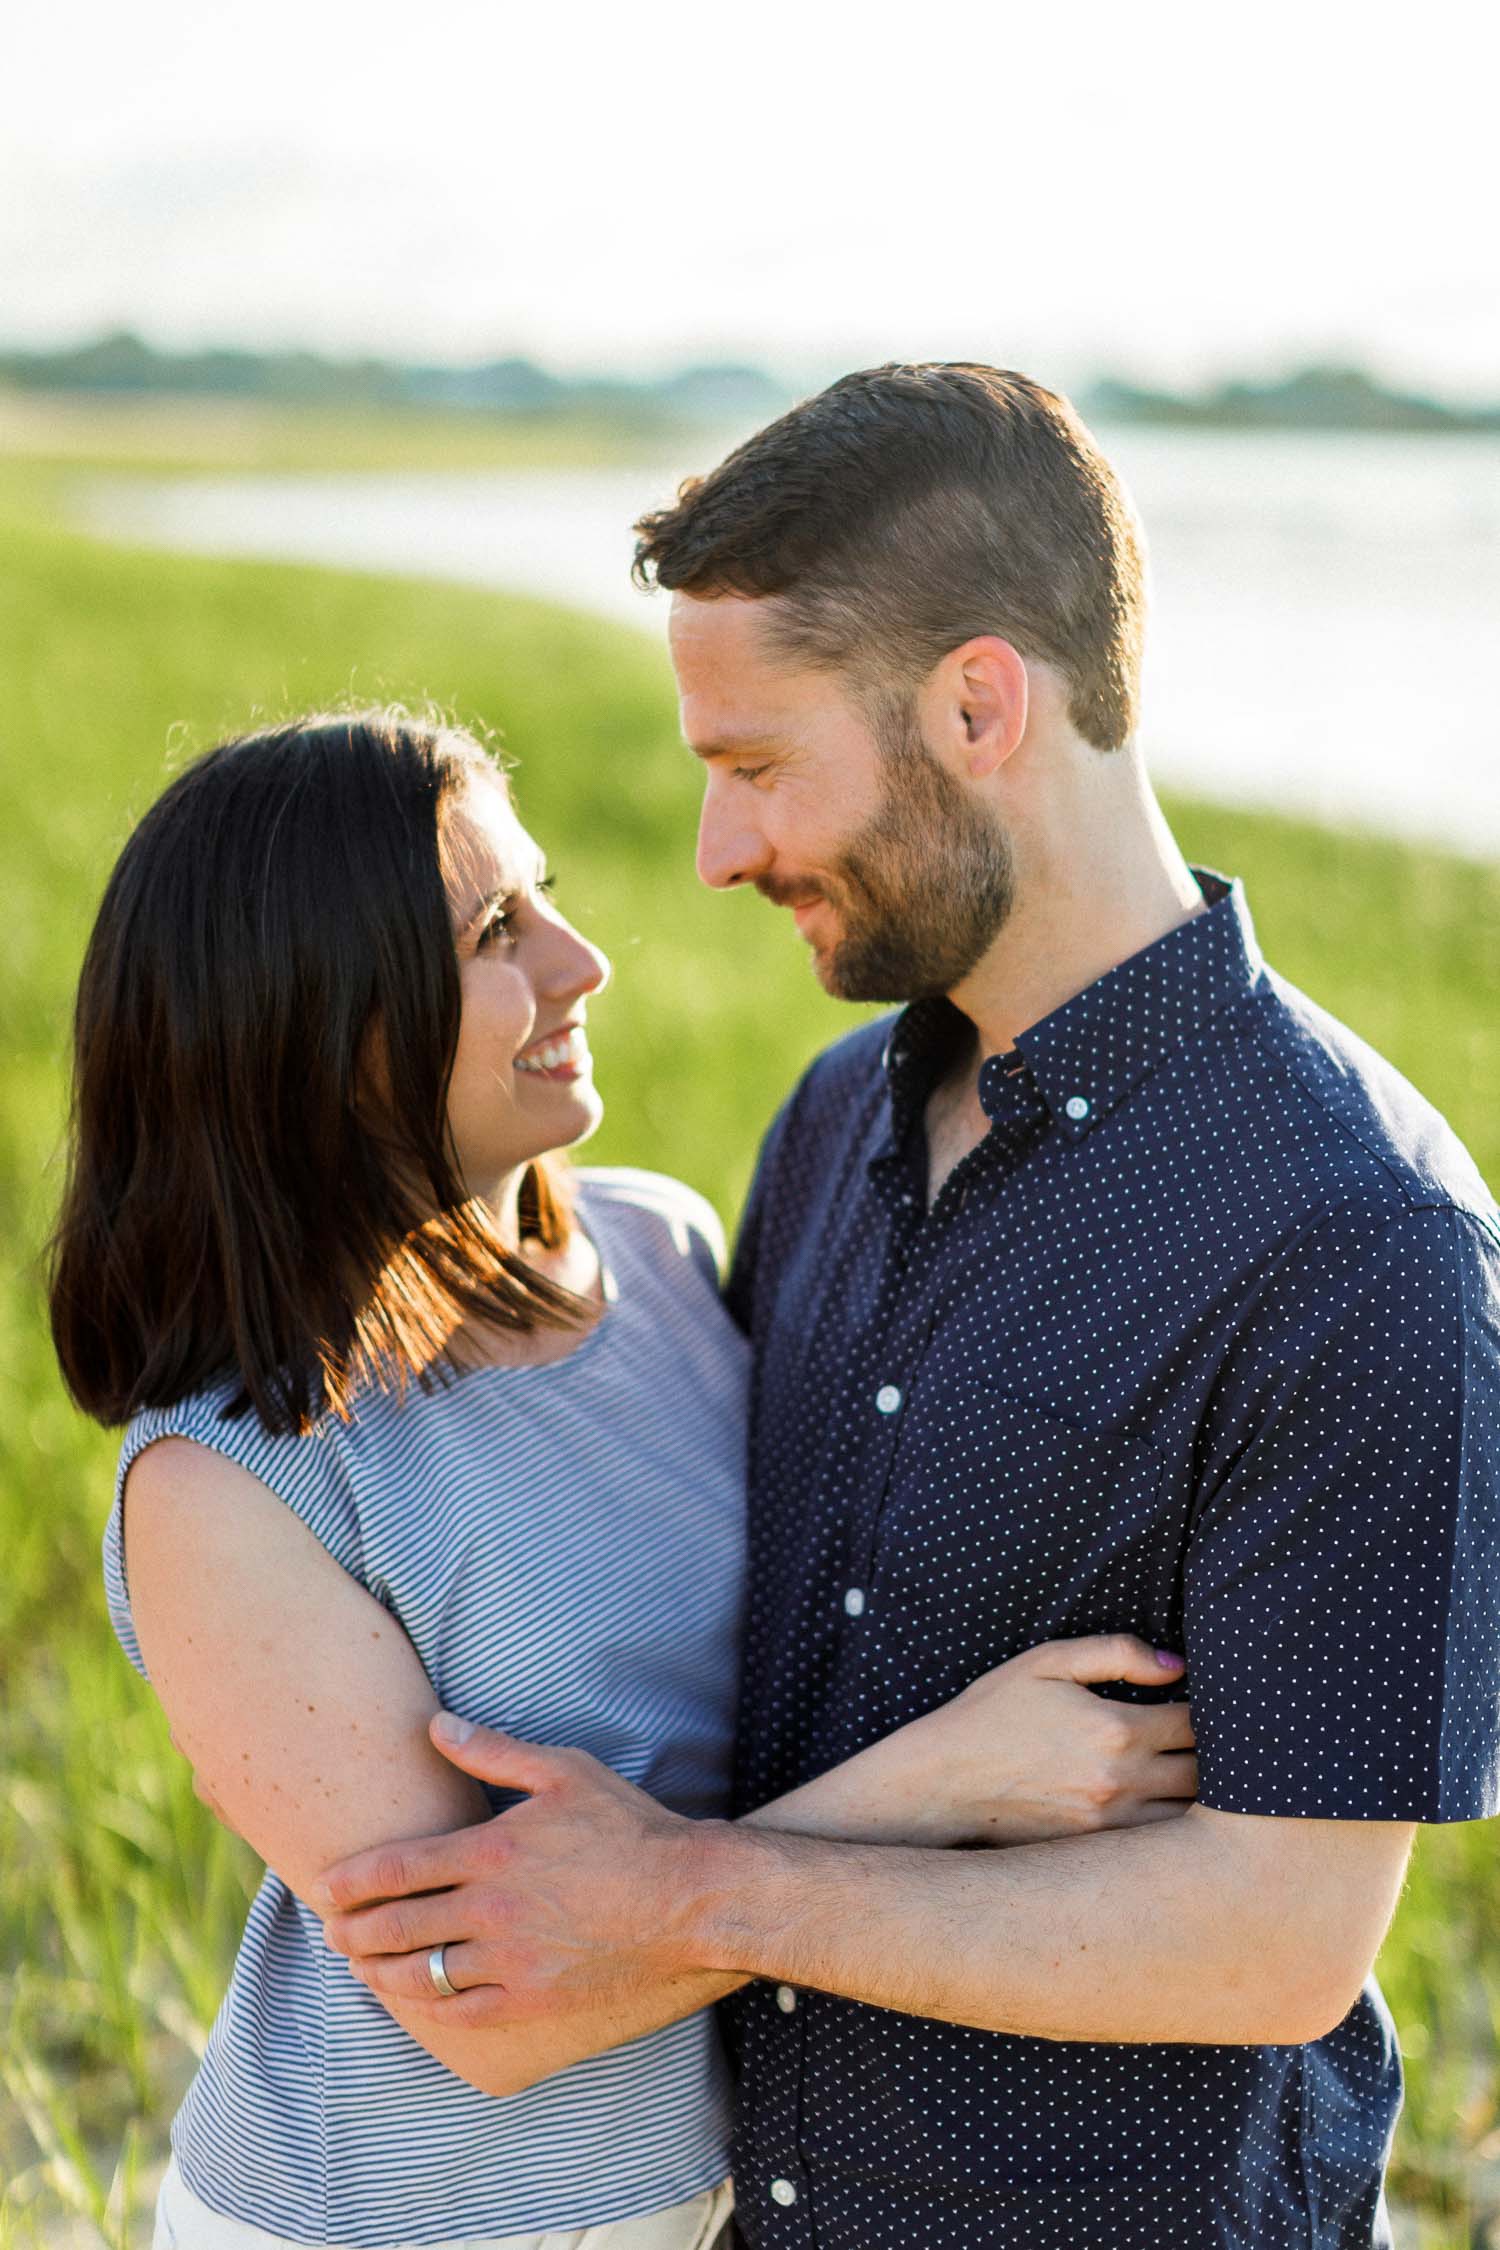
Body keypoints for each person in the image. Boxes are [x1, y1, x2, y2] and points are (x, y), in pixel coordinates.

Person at [319, 369, 1500, 2249]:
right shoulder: (831, 1121)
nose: (715, 850)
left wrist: (696, 1896)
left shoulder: (1358, 1241)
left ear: (977, 705)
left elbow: (1275, 1939)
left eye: (758, 765)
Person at [50, 708, 1200, 2250]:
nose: (582, 961)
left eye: (546, 896)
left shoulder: (662, 1248)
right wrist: (951, 1782)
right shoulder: (227, 1475)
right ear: (321, 1018)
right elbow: (487, 2003)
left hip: (729, 2191)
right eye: (493, 934)